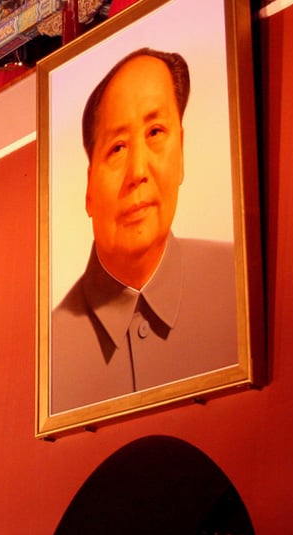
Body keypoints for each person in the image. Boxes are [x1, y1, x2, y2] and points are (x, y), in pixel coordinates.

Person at [49, 47, 238, 413]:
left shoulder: (236, 281)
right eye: (117, 148)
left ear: (181, 151)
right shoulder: (55, 347)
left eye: (155, 132)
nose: (138, 171)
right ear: (89, 189)